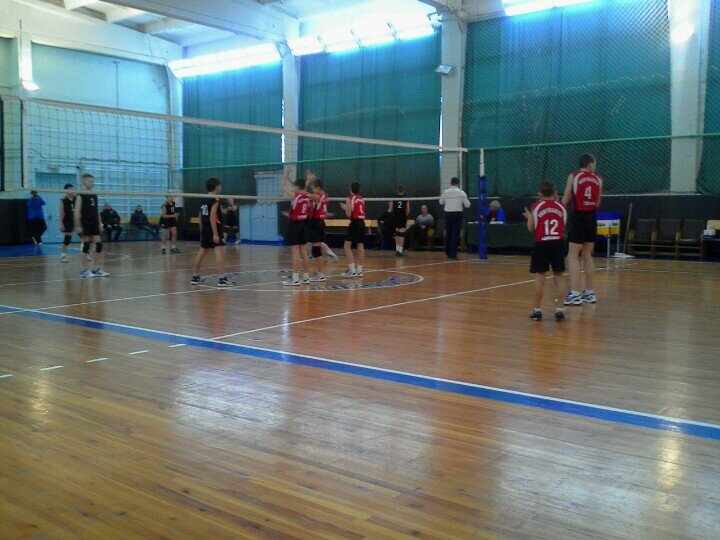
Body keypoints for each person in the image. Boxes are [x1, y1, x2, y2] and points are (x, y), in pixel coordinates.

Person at [524, 180, 567, 322]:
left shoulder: (535, 207)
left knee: (540, 277)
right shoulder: (562, 207)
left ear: (539, 194)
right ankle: (559, 310)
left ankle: (537, 310)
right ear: (555, 193)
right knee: (559, 276)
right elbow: (563, 225)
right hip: (557, 243)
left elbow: (531, 228)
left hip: (541, 243)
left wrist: (529, 217)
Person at [562, 154, 602, 305]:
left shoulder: (573, 176)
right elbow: (597, 202)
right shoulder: (599, 179)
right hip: (592, 218)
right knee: (587, 255)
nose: (595, 167)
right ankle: (590, 293)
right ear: (590, 165)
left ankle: (575, 293)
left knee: (572, 256)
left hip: (579, 217)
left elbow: (565, 199)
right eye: (595, 164)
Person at [191, 178, 236, 287]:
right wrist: (215, 234)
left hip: (205, 228)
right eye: (220, 185)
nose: (220, 187)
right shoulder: (215, 199)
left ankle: (195, 277)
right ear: (216, 187)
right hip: (214, 228)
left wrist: (202, 230)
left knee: (202, 251)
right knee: (219, 251)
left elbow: (200, 215)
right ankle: (222, 279)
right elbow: (212, 216)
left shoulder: (204, 198)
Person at [281, 168, 312, 286]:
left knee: (295, 252)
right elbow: (303, 187)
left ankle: (295, 279)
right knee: (303, 251)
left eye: (295, 187)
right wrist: (308, 180)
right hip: (304, 225)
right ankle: (306, 277)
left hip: (295, 225)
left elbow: (283, 187)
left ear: (298, 188)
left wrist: (285, 175)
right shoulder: (307, 196)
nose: (293, 188)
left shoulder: (296, 196)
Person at [74, 173, 109, 278]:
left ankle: (96, 269)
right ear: (84, 181)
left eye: (93, 181)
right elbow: (76, 211)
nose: (92, 183)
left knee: (99, 245)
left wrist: (100, 223)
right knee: (86, 245)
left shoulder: (94, 194)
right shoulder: (80, 194)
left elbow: (96, 210)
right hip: (85, 222)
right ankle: (83, 270)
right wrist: (78, 225)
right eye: (90, 181)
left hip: (94, 222)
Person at [306, 176, 332, 282]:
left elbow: (304, 194)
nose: (313, 190)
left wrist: (308, 181)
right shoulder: (325, 196)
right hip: (320, 223)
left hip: (316, 224)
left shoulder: (318, 197)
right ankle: (319, 273)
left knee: (316, 251)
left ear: (318, 188)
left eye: (313, 188)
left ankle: (320, 274)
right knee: (316, 249)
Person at [439, 177, 470, 260]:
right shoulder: (461, 193)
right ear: (458, 183)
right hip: (457, 215)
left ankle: (447, 253)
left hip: (448, 215)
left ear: (451, 183)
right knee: (455, 234)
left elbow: (441, 202)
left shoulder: (446, 192)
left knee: (448, 233)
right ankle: (453, 254)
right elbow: (467, 205)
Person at [340, 181, 366, 278]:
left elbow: (349, 214)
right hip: (362, 223)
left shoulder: (349, 198)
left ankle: (352, 270)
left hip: (355, 223)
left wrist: (345, 207)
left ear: (350, 189)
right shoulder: (361, 199)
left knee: (346, 246)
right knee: (360, 245)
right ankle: (359, 270)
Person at [390, 185, 410, 257]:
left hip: (395, 216)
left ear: (397, 190)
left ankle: (397, 250)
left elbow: (391, 209)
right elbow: (408, 210)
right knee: (401, 234)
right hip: (402, 217)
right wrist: (405, 215)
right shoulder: (406, 198)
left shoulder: (394, 198)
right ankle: (400, 251)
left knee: (397, 233)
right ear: (404, 190)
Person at [59, 183, 76, 263]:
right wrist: (61, 223)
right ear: (66, 190)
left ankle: (86, 254)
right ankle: (63, 256)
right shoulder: (63, 200)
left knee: (84, 235)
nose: (71, 190)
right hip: (67, 221)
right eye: (69, 189)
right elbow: (61, 212)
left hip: (76, 220)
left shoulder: (76, 198)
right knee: (68, 238)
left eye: (72, 189)